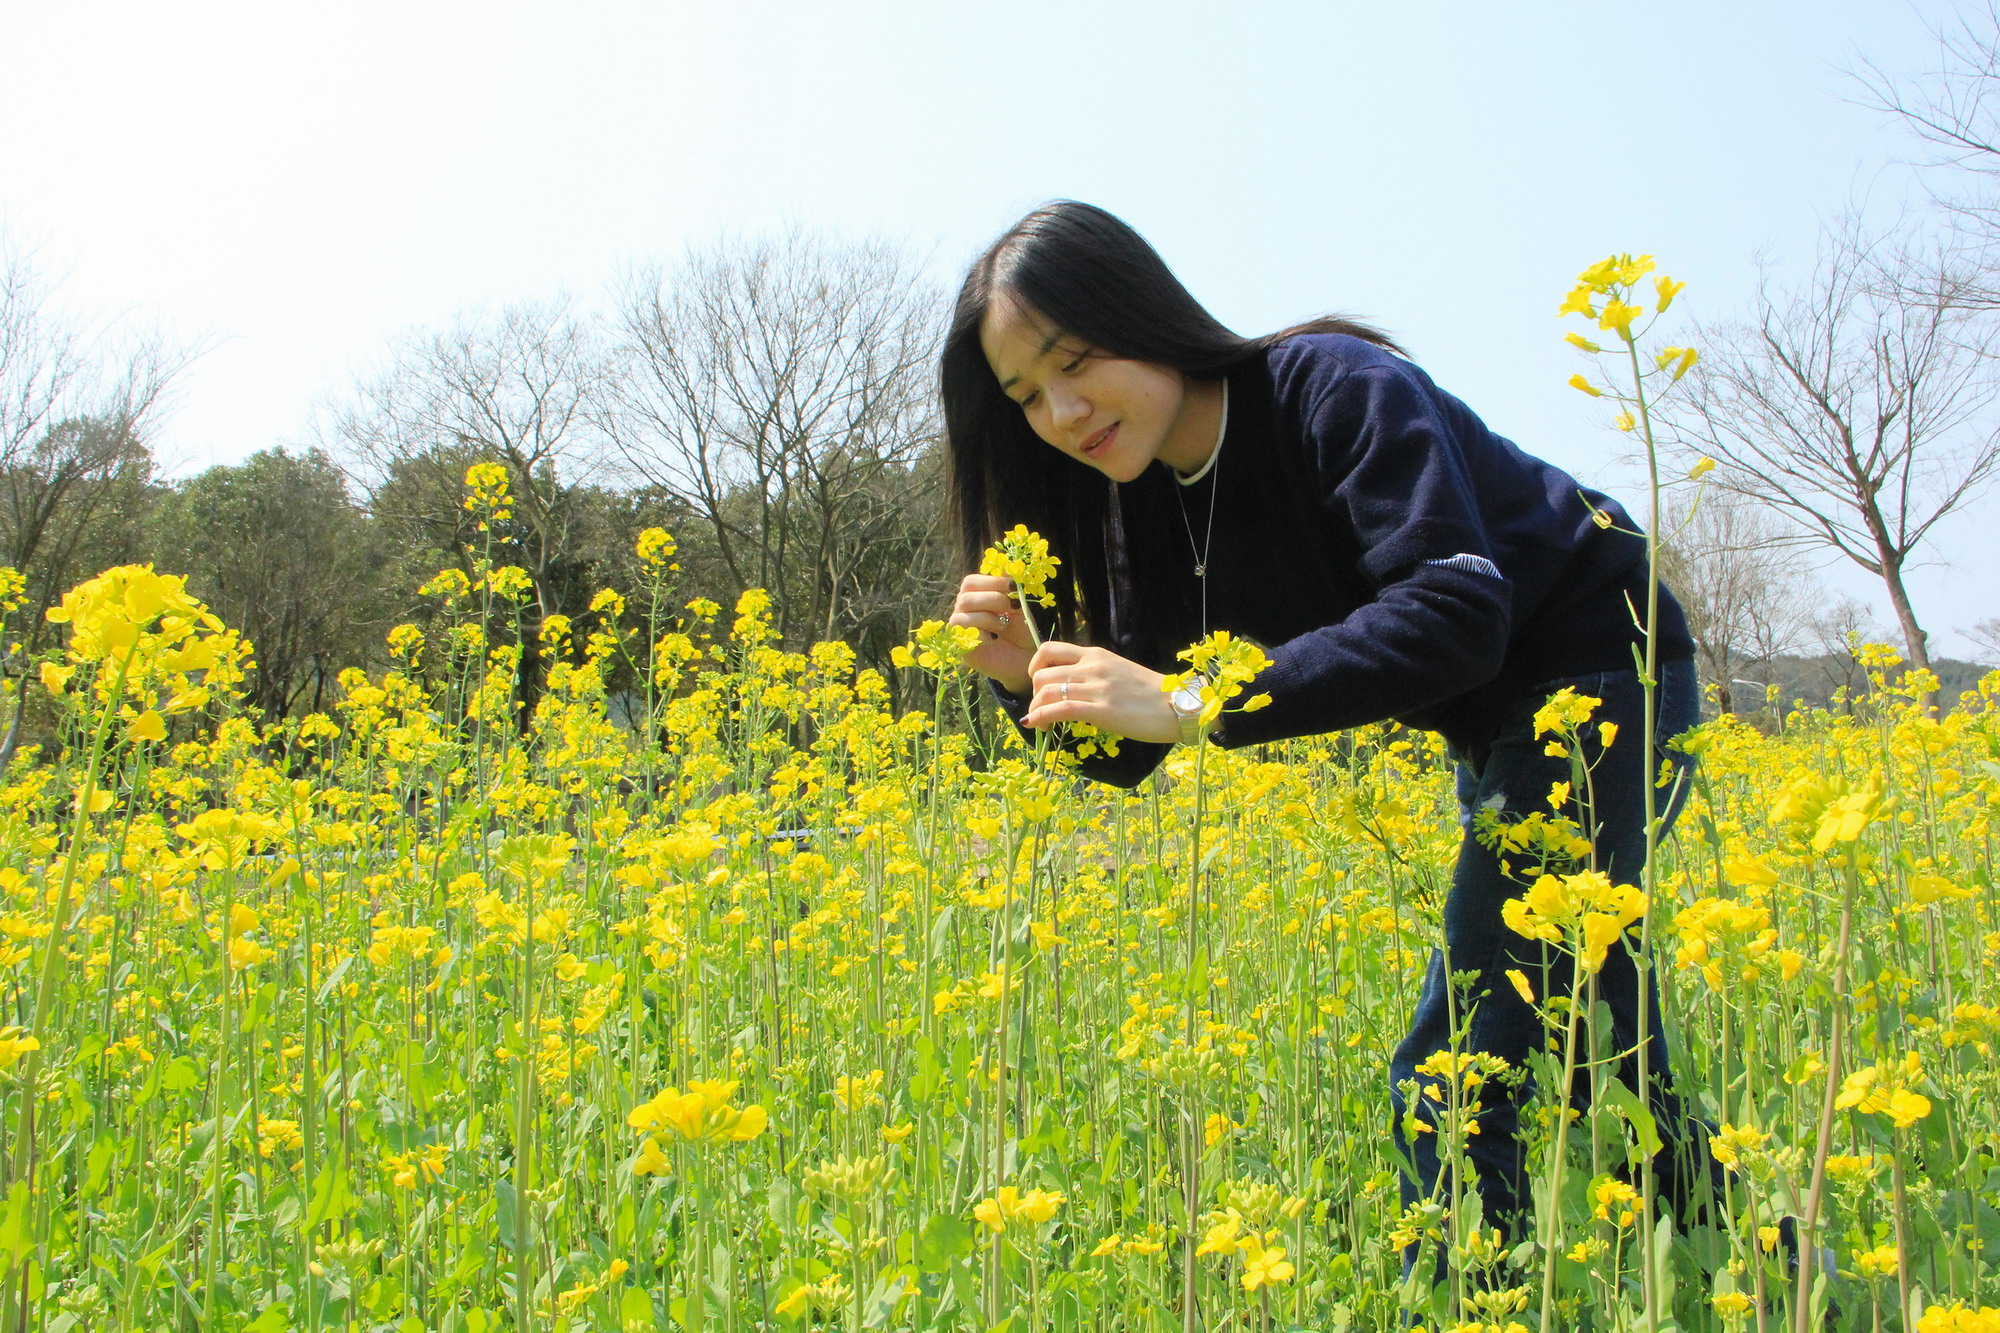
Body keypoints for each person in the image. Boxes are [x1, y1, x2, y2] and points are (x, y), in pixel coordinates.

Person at [941, 200, 1715, 1252]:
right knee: (1594, 1029)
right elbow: (1130, 751)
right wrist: (1018, 675)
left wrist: (1186, 699)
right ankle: (1740, 1263)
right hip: (1489, 715)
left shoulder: (1332, 387)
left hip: (1600, 662)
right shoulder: (1142, 508)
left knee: (1461, 1061)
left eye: (1075, 359)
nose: (1064, 411)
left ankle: (1466, 1297)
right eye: (1027, 396)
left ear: (1147, 313)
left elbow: (1454, 613)